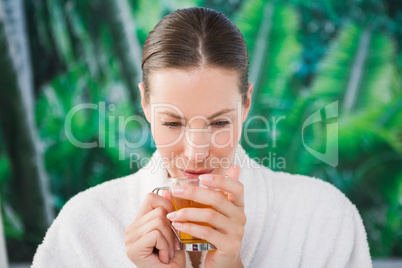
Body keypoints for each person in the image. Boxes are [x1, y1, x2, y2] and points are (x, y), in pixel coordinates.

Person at [32, 7, 372, 268]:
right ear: (146, 104)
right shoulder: (84, 227)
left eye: (219, 123)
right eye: (173, 123)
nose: (196, 154)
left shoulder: (322, 218)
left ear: (246, 102)